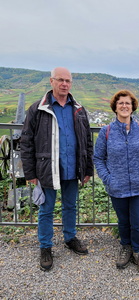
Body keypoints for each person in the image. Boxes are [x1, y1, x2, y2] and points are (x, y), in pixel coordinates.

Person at [20, 67, 94, 271]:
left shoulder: (78, 109)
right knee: (46, 210)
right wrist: (31, 173)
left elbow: (87, 140)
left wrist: (87, 168)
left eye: (68, 81)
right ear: (51, 81)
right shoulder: (38, 109)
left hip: (73, 168)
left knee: (71, 206)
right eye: (60, 80)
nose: (64, 84)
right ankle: (45, 247)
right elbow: (26, 143)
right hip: (47, 169)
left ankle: (70, 238)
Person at [94, 89, 139, 275]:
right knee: (123, 221)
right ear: (115, 107)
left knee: (138, 222)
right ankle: (125, 247)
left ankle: (138, 251)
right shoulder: (106, 131)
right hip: (117, 186)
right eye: (121, 103)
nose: (124, 106)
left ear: (132, 107)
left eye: (127, 103)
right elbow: (98, 158)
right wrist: (108, 178)